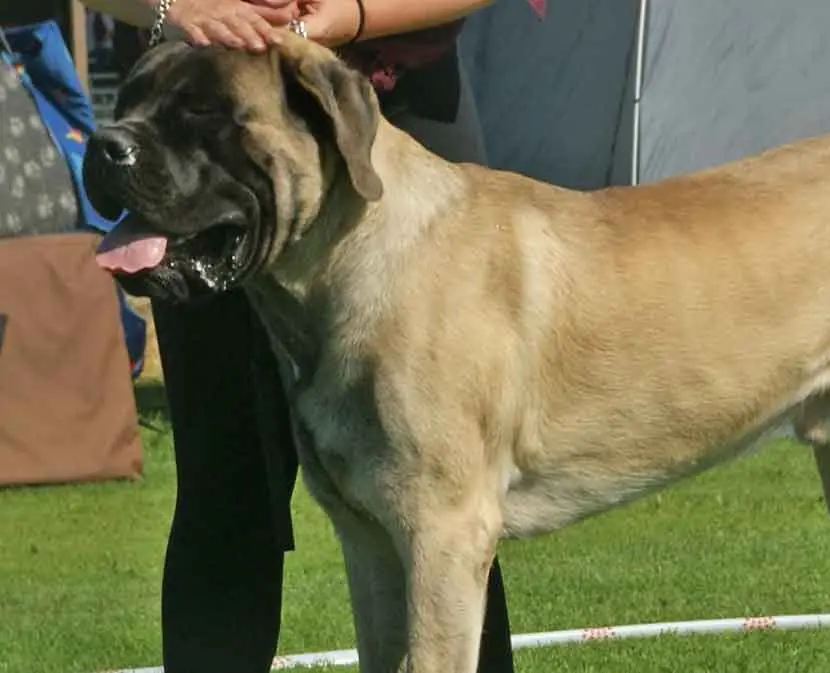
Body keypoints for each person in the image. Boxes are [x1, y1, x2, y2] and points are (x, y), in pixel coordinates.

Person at [77, 0, 525, 671]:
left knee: (441, 501)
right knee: (228, 488)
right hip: (195, 111)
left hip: (399, 91)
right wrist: (174, 5)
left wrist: (342, 16)